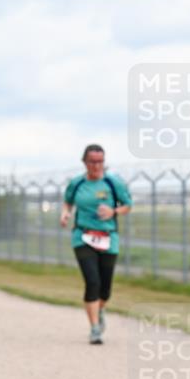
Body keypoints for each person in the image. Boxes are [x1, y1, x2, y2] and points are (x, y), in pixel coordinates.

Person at [60, 144, 133, 345]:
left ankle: (100, 308)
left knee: (105, 288)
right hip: (82, 236)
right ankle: (94, 328)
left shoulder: (113, 183)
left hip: (108, 238)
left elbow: (128, 205)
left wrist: (114, 212)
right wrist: (65, 213)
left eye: (100, 161)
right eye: (92, 161)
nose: (96, 165)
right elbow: (67, 202)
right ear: (84, 162)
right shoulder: (76, 183)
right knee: (92, 281)